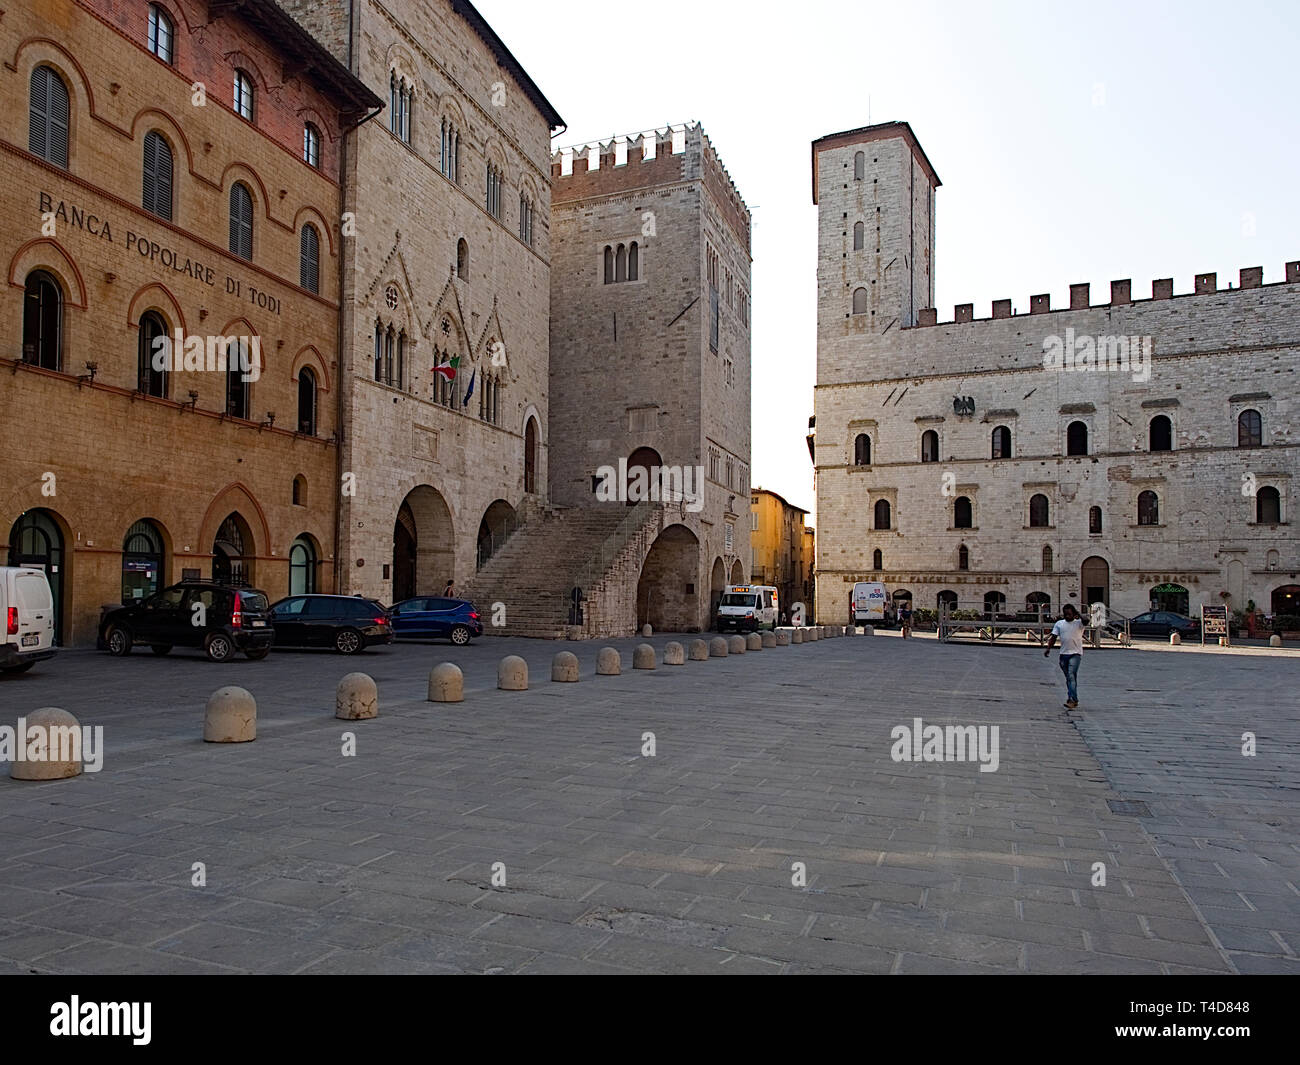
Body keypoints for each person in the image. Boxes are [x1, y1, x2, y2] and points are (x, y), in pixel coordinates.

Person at [1044, 603, 1086, 709]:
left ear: (1073, 614)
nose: (1067, 616)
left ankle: (1072, 699)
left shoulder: (1079, 623)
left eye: (1069, 614)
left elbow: (1086, 620)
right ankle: (1072, 697)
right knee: (1069, 678)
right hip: (1063, 654)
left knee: (1071, 675)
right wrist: (1048, 649)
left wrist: (1078, 614)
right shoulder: (1059, 624)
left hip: (1075, 653)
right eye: (1065, 614)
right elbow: (1053, 637)